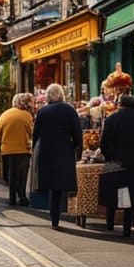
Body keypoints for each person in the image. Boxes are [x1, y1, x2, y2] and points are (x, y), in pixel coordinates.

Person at [99, 95, 134, 237]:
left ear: (120, 104)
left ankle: (109, 225)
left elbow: (103, 143)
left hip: (114, 161)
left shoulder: (111, 118)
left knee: (112, 192)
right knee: (130, 193)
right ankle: (127, 228)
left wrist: (109, 157)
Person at [32, 83, 83, 230]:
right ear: (61, 94)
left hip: (46, 152)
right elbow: (77, 134)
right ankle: (60, 215)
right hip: (64, 152)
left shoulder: (42, 112)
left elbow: (36, 135)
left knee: (52, 187)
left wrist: (34, 151)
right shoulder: (69, 110)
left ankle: (54, 220)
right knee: (60, 186)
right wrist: (76, 148)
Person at [0, 93, 35, 207]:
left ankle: (12, 198)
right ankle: (22, 198)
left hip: (6, 150)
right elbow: (31, 132)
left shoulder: (4, 115)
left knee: (11, 175)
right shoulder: (27, 115)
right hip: (22, 149)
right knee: (21, 176)